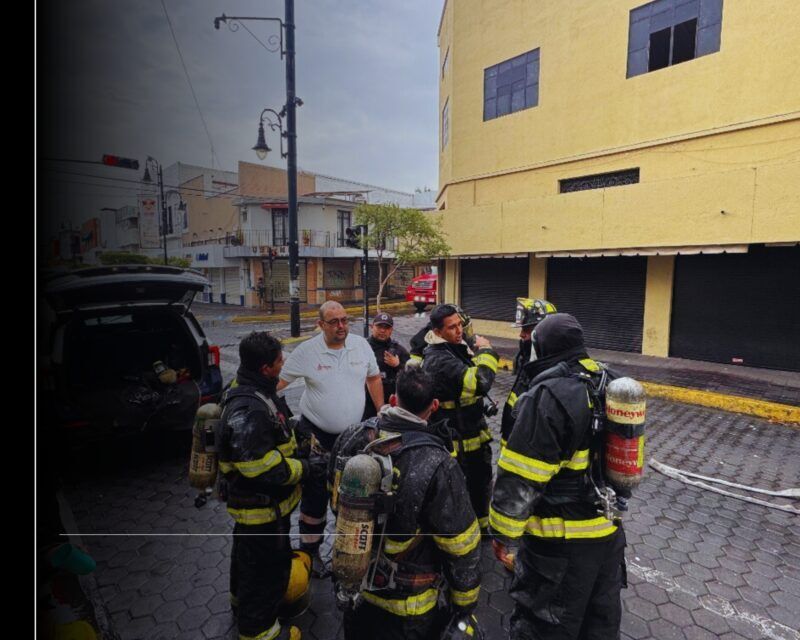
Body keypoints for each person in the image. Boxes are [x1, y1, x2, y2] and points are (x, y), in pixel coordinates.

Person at [489, 313, 628, 640]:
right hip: (608, 536)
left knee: (547, 627)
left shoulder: (547, 396)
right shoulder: (614, 382)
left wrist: (502, 534)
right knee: (600, 624)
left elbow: (519, 480)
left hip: (558, 545)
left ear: (543, 347)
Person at [330, 367, 482, 640]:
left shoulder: (352, 436)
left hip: (355, 586)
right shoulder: (438, 462)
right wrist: (464, 604)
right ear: (434, 406)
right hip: (409, 606)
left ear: (392, 399)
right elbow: (461, 545)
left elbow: (335, 500)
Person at [218, 331, 320, 640]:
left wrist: (297, 435)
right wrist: (306, 468)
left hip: (260, 512)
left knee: (246, 563)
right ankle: (260, 630)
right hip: (261, 511)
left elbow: (274, 428)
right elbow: (259, 468)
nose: (283, 362)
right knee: (266, 575)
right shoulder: (248, 409)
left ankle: (240, 605)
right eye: (279, 360)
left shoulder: (251, 388)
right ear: (266, 368)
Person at [277, 301, 383, 574]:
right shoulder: (307, 351)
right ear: (321, 324)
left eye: (345, 320)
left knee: (352, 495)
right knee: (314, 496)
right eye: (334, 322)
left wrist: (381, 412)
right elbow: (276, 384)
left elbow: (373, 378)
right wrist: (277, 415)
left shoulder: (360, 346)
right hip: (316, 436)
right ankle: (310, 554)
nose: (341, 327)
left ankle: (349, 552)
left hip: (353, 438)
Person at [421, 303, 499, 531]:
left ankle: (482, 526)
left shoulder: (452, 347)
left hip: (471, 430)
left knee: (481, 482)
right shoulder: (438, 359)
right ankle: (464, 531)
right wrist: (486, 352)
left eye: (459, 325)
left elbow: (461, 391)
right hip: (457, 438)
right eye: (452, 327)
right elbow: (479, 382)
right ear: (437, 332)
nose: (459, 331)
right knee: (462, 486)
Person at [500, 298, 557, 448]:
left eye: (527, 329)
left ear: (544, 330)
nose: (521, 335)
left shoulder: (552, 369)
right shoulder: (528, 358)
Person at [362, 311, 410, 419]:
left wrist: (398, 365)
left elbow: (412, 376)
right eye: (379, 326)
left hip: (393, 405)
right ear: (371, 327)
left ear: (391, 330)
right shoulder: (362, 348)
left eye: (386, 327)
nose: (383, 330)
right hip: (366, 404)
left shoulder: (399, 350)